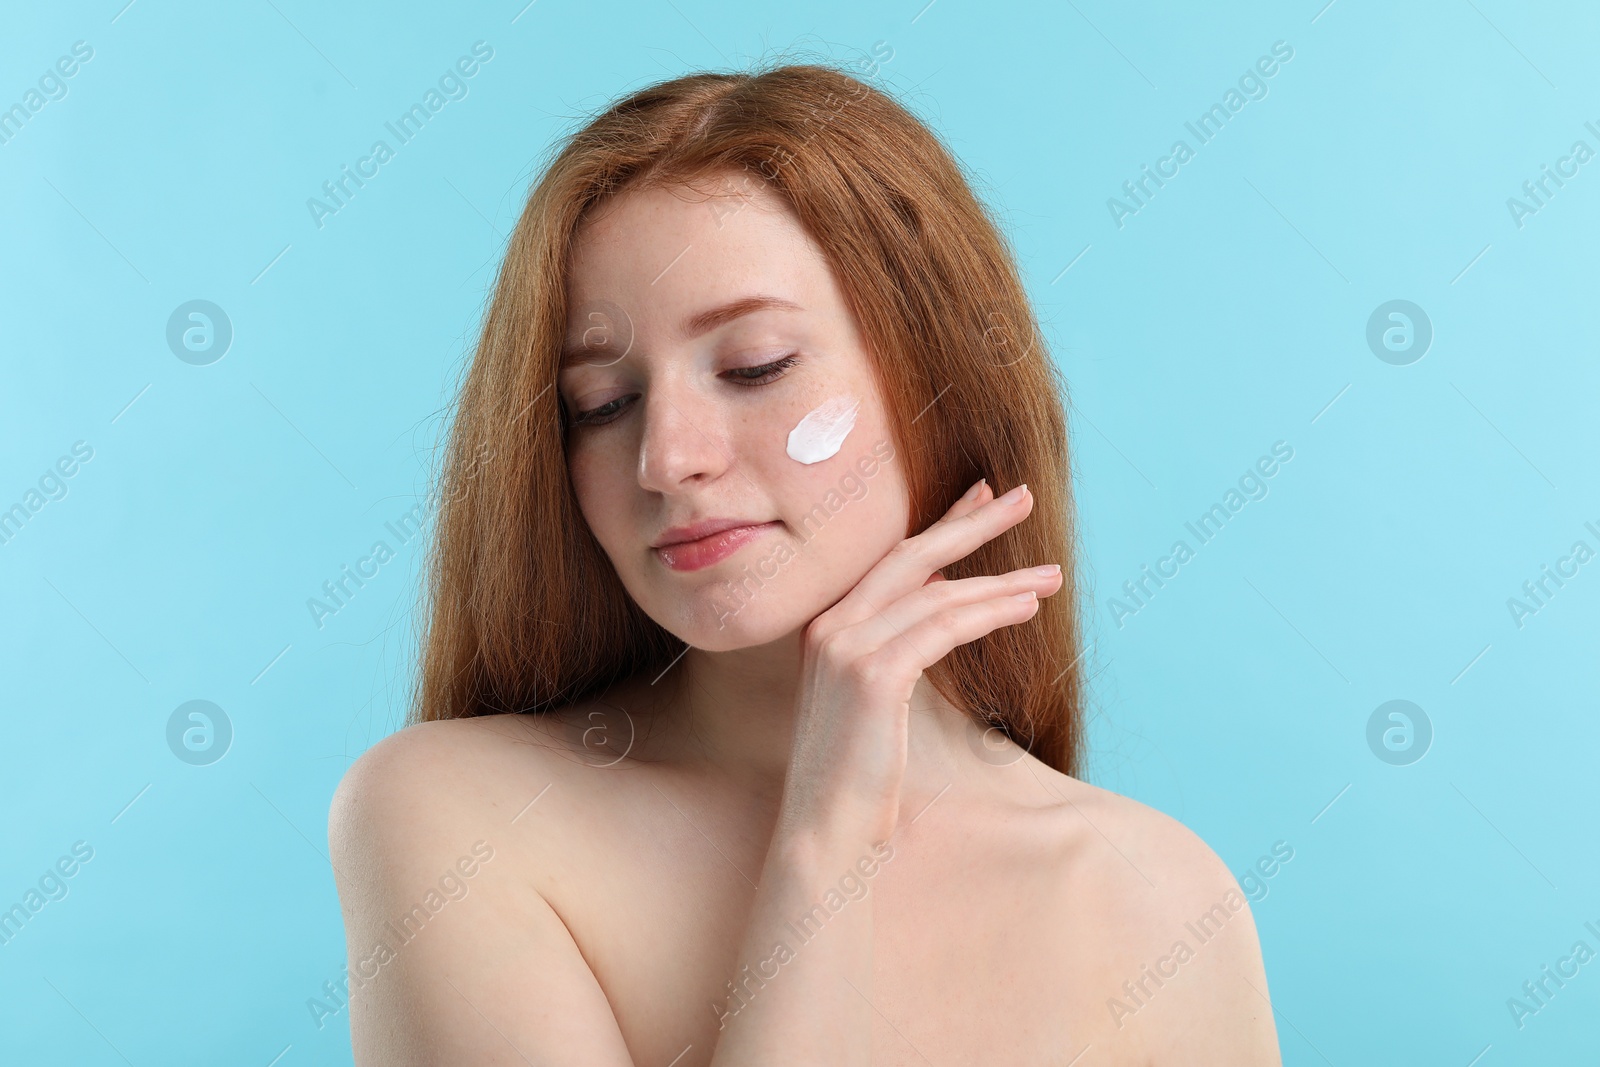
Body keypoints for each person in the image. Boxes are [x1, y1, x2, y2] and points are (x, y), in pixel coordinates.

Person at [329, 58, 1282, 1066]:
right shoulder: (454, 817)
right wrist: (825, 843)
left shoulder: (1157, 897)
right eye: (601, 404)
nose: (667, 456)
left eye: (755, 366)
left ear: (938, 379)